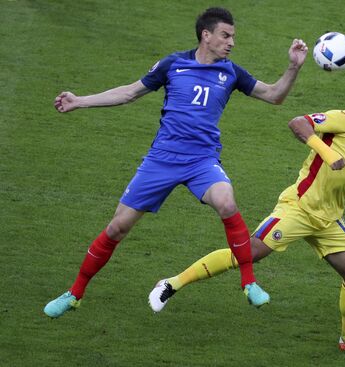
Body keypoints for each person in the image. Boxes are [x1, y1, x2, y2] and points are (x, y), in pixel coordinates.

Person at [44, 7, 308, 318]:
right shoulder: (173, 64)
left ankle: (249, 283)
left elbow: (275, 95)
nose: (231, 42)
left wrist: (293, 66)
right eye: (226, 35)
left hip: (202, 160)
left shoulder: (231, 72)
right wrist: (79, 101)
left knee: (226, 201)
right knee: (117, 227)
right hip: (162, 160)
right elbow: (129, 92)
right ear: (205, 35)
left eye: (233, 36)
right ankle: (74, 293)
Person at [149, 73, 345, 357]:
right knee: (249, 252)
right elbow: (298, 123)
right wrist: (326, 153)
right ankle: (171, 283)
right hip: (300, 207)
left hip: (329, 218)